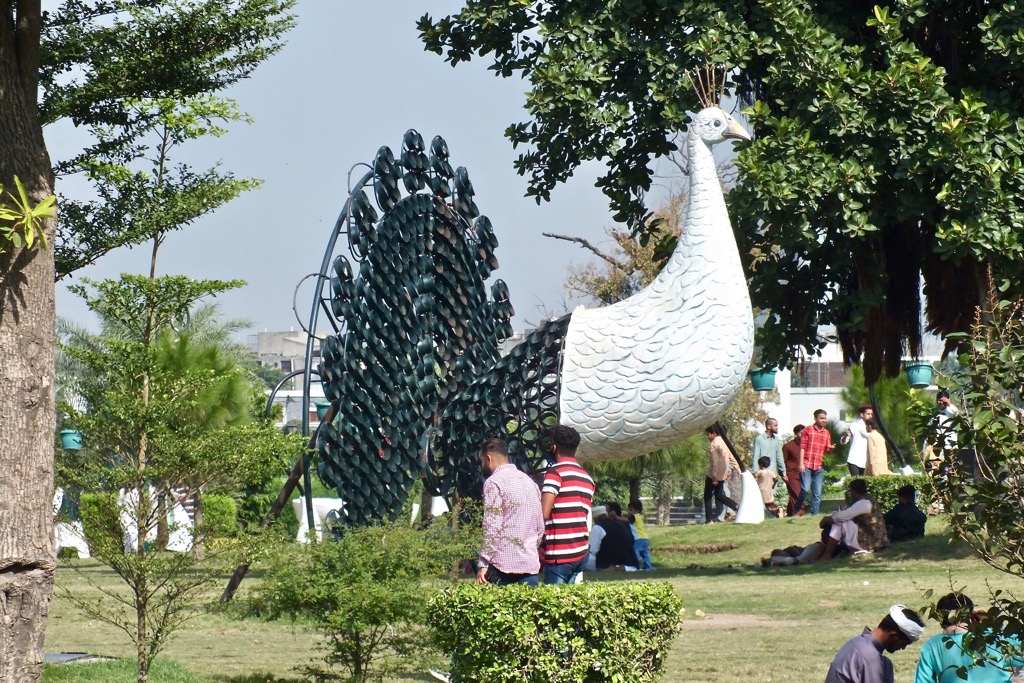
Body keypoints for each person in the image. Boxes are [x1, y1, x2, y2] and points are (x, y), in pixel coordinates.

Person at [475, 438, 545, 586]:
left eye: (482, 462)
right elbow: (540, 527)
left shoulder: (493, 483)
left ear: (488, 458)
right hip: (529, 566)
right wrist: (530, 548)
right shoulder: (530, 482)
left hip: (502, 568)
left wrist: (483, 563)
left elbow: (492, 527)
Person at [915, 593, 1024, 683]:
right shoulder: (993, 636)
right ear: (972, 614)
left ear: (939, 618)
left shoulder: (932, 645)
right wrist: (994, 624)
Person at [540, 425, 595, 584]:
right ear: (576, 449)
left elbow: (543, 513)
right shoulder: (586, 478)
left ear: (554, 447)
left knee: (553, 605)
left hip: (560, 553)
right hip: (581, 550)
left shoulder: (554, 473)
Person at [825, 604, 925, 683]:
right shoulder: (870, 658)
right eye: (904, 643)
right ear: (893, 636)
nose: (903, 648)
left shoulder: (856, 642)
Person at [809, 478, 889, 562]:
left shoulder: (864, 503)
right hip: (873, 539)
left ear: (853, 492)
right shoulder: (867, 500)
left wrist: (825, 519)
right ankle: (816, 557)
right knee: (840, 520)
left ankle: (827, 555)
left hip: (869, 542)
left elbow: (840, 517)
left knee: (839, 522)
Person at [800, 409, 835, 515]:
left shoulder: (826, 433)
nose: (824, 420)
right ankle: (797, 508)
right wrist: (801, 463)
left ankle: (814, 513)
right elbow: (802, 447)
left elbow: (827, 450)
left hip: (818, 466)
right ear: (815, 418)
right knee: (805, 489)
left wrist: (831, 448)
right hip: (807, 464)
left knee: (817, 493)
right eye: (821, 418)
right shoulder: (808, 430)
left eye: (825, 418)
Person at [704, 424, 738, 524]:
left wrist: (714, 477)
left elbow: (715, 462)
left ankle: (709, 519)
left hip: (713, 474)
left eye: (708, 434)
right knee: (719, 495)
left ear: (713, 433)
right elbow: (732, 457)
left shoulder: (714, 444)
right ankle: (736, 506)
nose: (707, 436)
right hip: (723, 473)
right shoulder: (725, 443)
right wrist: (736, 469)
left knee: (708, 496)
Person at [594, 502, 637, 570]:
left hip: (611, 562)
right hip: (630, 562)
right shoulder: (622, 525)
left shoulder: (599, 526)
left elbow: (594, 550)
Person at [842, 405, 873, 476]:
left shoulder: (871, 428)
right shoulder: (855, 426)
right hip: (854, 459)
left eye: (871, 414)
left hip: (865, 460)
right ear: (862, 415)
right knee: (856, 482)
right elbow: (843, 441)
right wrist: (845, 436)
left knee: (863, 483)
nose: (870, 416)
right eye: (868, 414)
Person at [783, 425, 805, 516]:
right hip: (791, 474)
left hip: (803, 474)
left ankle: (791, 513)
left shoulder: (807, 446)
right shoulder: (788, 446)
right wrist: (783, 474)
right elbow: (781, 461)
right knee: (798, 493)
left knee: (793, 495)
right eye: (801, 433)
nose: (803, 435)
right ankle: (800, 512)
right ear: (796, 434)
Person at [627, 499, 654, 570]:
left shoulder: (634, 516)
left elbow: (626, 520)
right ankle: (648, 566)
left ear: (637, 510)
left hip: (639, 539)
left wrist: (617, 518)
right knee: (645, 554)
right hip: (645, 538)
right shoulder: (639, 517)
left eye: (631, 510)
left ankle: (638, 563)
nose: (629, 512)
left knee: (635, 550)